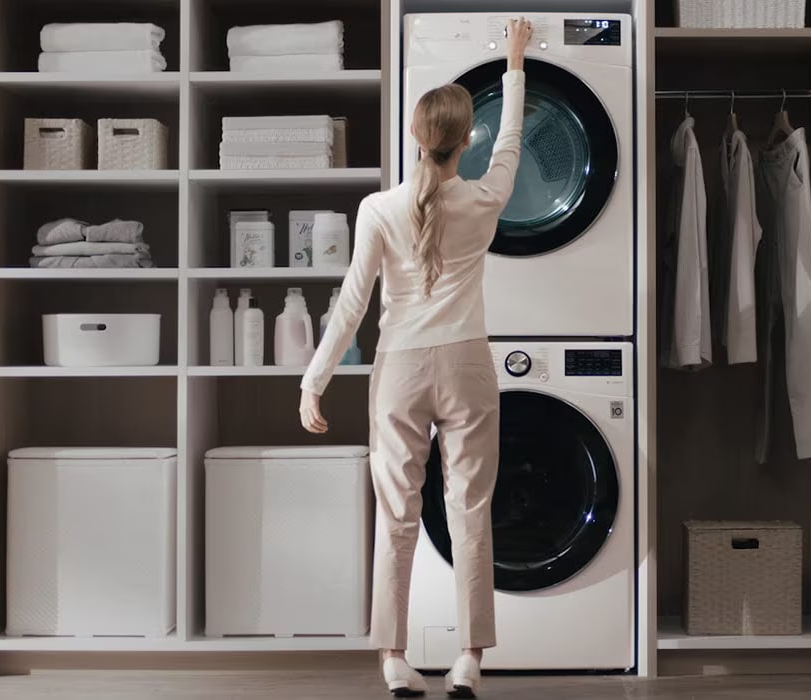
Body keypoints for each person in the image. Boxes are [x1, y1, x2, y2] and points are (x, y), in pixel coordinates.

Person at [299, 17, 533, 699]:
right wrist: (514, 63)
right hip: (467, 368)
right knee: (471, 513)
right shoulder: (486, 198)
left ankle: (395, 661)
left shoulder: (377, 210)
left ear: (414, 138)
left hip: (399, 370)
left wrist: (315, 383)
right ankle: (468, 660)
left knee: (397, 519)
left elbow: (350, 305)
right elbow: (513, 142)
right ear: (465, 142)